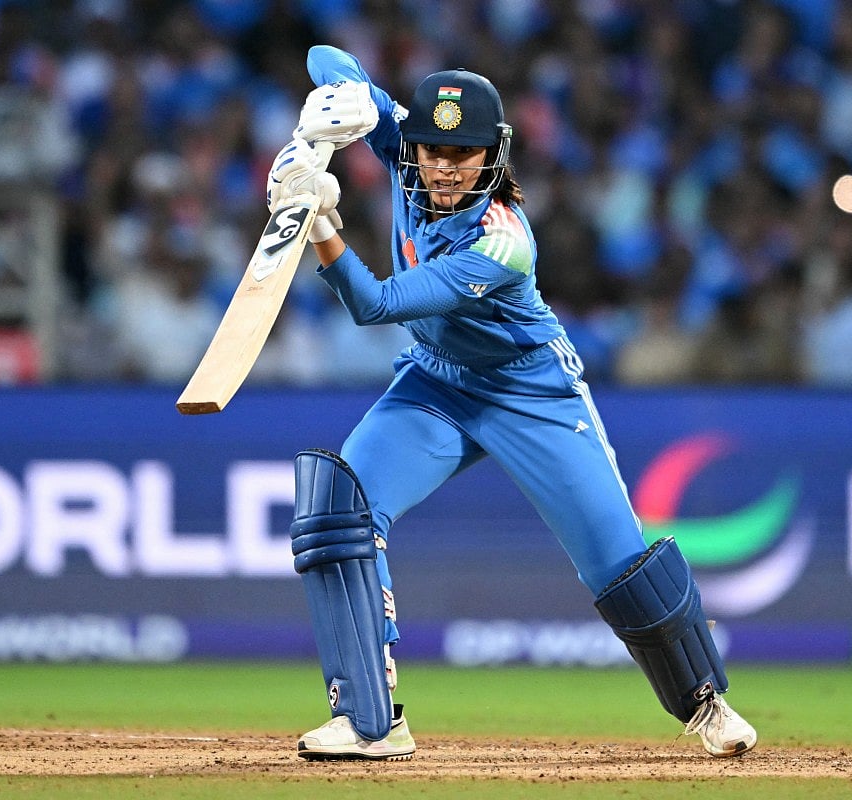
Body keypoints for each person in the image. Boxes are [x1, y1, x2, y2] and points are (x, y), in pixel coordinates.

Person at [267, 45, 758, 762]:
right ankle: (371, 721)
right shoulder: (406, 153)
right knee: (335, 511)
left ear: (492, 157)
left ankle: (705, 703)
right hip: (435, 382)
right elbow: (321, 58)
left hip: (529, 392)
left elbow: (373, 306)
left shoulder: (504, 245)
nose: (442, 169)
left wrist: (317, 221)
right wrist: (338, 112)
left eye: (462, 155)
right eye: (432, 152)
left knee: (619, 565)